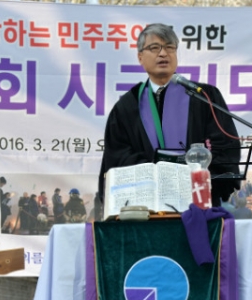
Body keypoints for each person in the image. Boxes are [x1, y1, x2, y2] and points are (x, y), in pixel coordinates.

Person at [98, 23, 241, 208]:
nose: (163, 54)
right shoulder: (127, 107)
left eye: (170, 48)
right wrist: (157, 170)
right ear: (140, 57)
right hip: (146, 208)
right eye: (154, 48)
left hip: (197, 202)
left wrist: (196, 172)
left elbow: (225, 146)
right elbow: (117, 157)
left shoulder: (203, 97)